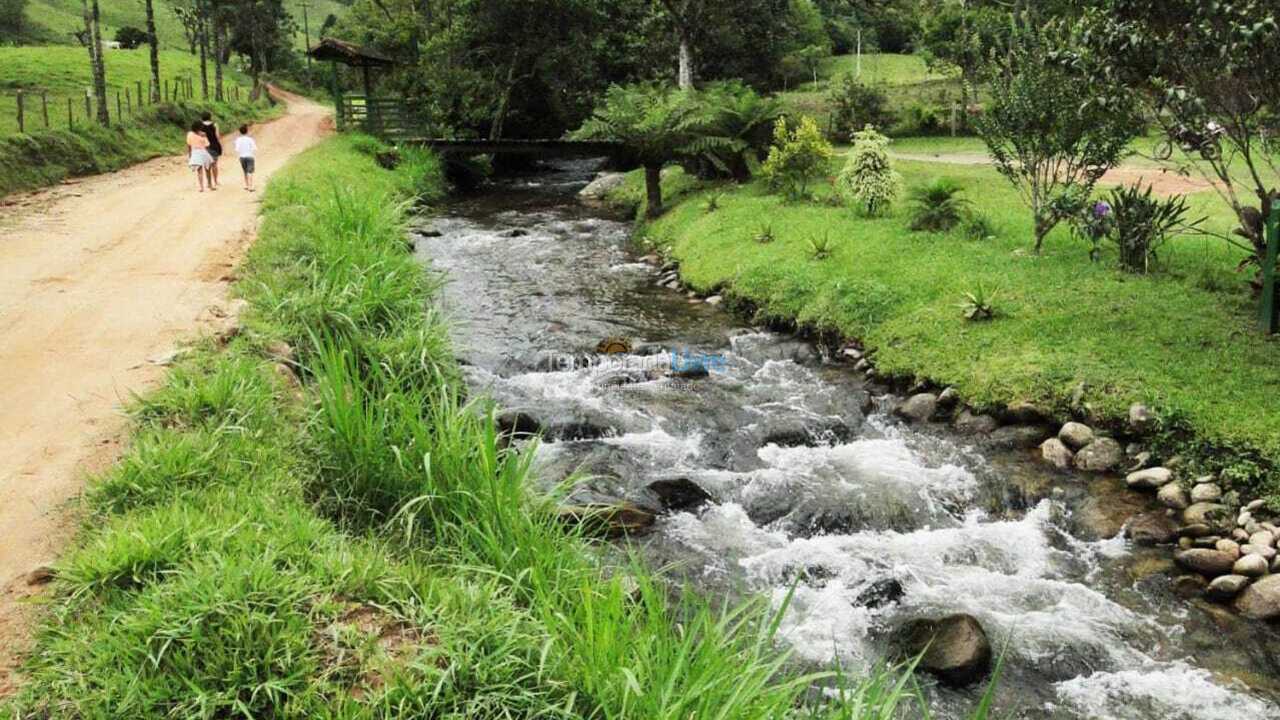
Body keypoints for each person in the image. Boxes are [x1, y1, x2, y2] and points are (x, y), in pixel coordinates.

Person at [186, 121, 212, 192]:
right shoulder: (203, 134)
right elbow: (207, 144)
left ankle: (201, 187)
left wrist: (190, 155)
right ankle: (209, 184)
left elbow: (188, 145)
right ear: (199, 127)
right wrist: (205, 136)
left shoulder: (189, 134)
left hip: (195, 152)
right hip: (203, 152)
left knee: (199, 170)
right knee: (208, 169)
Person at [200, 112, 222, 190]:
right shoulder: (215, 125)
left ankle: (209, 183)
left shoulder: (200, 125)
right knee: (214, 164)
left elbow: (199, 135)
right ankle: (216, 181)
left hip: (204, 146)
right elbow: (217, 136)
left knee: (207, 165)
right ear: (210, 117)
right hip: (214, 146)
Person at [234, 124, 257, 192]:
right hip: (250, 156)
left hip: (242, 157)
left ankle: (246, 185)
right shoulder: (250, 139)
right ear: (247, 131)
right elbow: (254, 148)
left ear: (240, 132)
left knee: (245, 171)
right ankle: (250, 186)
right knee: (250, 172)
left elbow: (237, 149)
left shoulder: (238, 140)